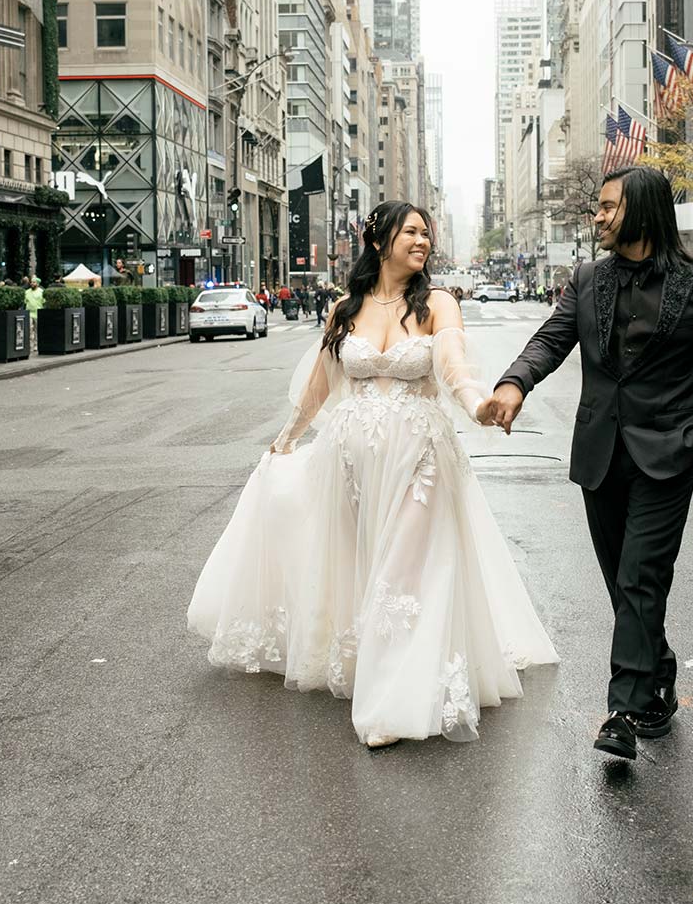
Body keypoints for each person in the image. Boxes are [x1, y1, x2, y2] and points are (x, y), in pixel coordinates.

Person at [188, 200, 558, 747]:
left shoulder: (438, 304)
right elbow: (320, 384)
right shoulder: (345, 308)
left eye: (427, 233)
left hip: (420, 457)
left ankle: (393, 700)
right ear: (380, 240)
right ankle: (370, 661)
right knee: (362, 559)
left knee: (404, 568)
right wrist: (288, 438)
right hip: (351, 460)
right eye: (411, 231)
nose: (423, 241)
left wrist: (479, 404)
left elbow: (454, 367)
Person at [480, 166, 693, 764]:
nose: (597, 216)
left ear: (643, 211)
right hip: (600, 455)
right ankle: (659, 669)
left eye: (607, 207)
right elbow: (550, 340)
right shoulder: (586, 280)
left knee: (639, 578)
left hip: (670, 455)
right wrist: (513, 385)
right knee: (622, 583)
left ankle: (623, 710)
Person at [24, 276, 44, 351]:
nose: (32, 283)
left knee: (37, 330)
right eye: (31, 282)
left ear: (37, 284)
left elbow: (44, 302)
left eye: (34, 282)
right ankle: (30, 345)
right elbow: (25, 302)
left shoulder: (41, 292)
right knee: (29, 329)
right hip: (29, 313)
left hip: (38, 313)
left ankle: (36, 344)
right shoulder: (27, 292)